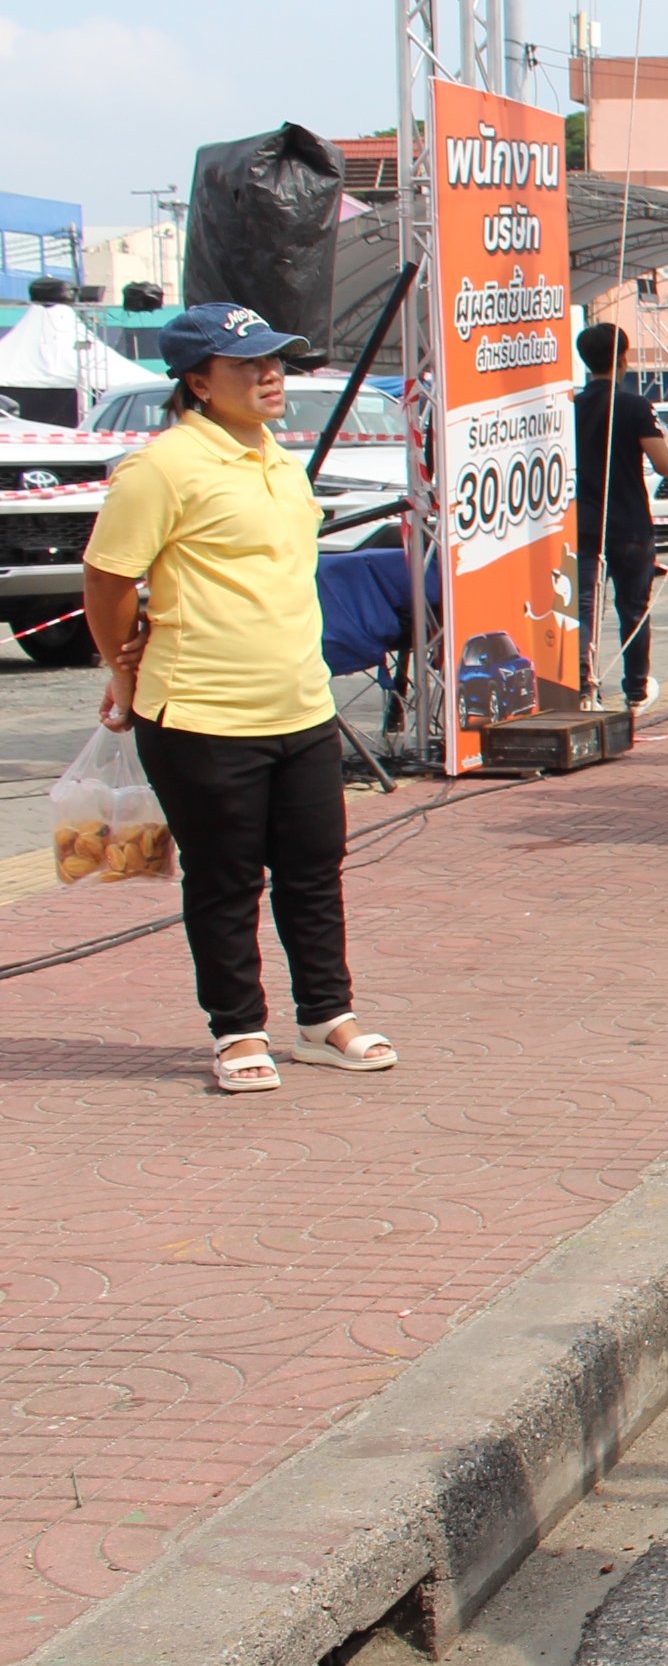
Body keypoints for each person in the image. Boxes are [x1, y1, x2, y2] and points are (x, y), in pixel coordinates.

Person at [80, 304, 397, 1093]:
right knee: (225, 879)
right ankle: (236, 1030)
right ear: (196, 381)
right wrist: (124, 675)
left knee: (314, 869)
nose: (269, 376)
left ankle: (326, 1018)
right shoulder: (162, 467)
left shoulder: (279, 461)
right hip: (201, 713)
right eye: (247, 364)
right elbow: (109, 577)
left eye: (277, 362)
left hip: (301, 706)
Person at [571, 323, 668, 708]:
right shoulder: (634, 406)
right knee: (633, 608)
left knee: (584, 608)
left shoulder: (572, 407)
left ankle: (585, 689)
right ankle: (635, 691)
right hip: (629, 522)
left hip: (582, 520)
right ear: (622, 359)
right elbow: (665, 465)